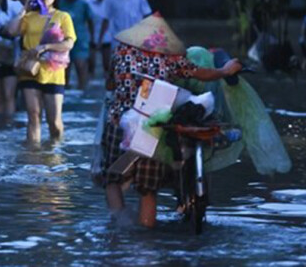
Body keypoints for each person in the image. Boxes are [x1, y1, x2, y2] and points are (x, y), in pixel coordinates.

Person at [100, 13, 242, 228]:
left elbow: (110, 84)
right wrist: (224, 70)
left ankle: (119, 228)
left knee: (112, 178)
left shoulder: (120, 51)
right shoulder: (170, 57)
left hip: (119, 123)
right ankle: (148, 238)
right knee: (148, 189)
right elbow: (200, 73)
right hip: (155, 128)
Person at [6, 0, 76, 143]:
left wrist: (45, 47)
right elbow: (11, 31)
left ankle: (55, 153)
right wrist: (24, 8)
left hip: (54, 73)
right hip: (29, 70)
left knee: (54, 121)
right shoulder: (29, 17)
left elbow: (69, 43)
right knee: (33, 116)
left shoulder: (62, 16)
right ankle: (33, 156)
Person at [59, 0, 94, 92]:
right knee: (65, 66)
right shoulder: (59, 2)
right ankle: (65, 87)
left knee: (81, 64)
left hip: (80, 38)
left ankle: (82, 87)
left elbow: (90, 20)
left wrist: (92, 37)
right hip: (62, 39)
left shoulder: (83, 3)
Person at [86, 0, 112, 77]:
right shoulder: (88, 2)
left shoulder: (109, 1)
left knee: (107, 64)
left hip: (106, 36)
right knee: (91, 63)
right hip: (91, 36)